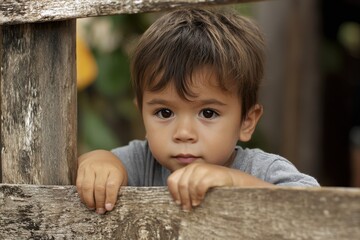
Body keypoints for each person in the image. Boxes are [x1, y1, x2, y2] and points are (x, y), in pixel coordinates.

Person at [76, 7, 320, 215]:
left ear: (247, 121)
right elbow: (96, 165)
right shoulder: (141, 163)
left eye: (208, 113)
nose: (183, 133)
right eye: (164, 113)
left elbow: (316, 209)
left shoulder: (262, 170)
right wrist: (99, 161)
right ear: (142, 114)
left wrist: (235, 182)